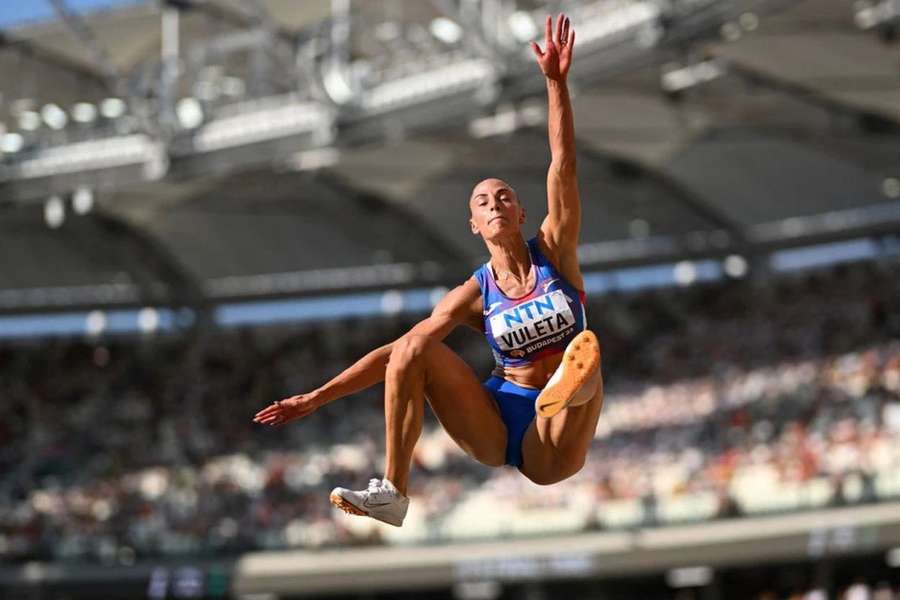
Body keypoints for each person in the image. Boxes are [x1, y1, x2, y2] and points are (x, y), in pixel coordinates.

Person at [253, 13, 603, 527]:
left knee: (585, 356)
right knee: (413, 345)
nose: (496, 202)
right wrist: (317, 396)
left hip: (557, 443)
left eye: (505, 195)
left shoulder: (556, 250)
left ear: (522, 212)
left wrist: (555, 84)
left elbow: (563, 167)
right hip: (498, 420)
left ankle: (568, 391)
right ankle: (393, 492)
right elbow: (393, 360)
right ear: (474, 225)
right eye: (483, 201)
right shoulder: (473, 293)